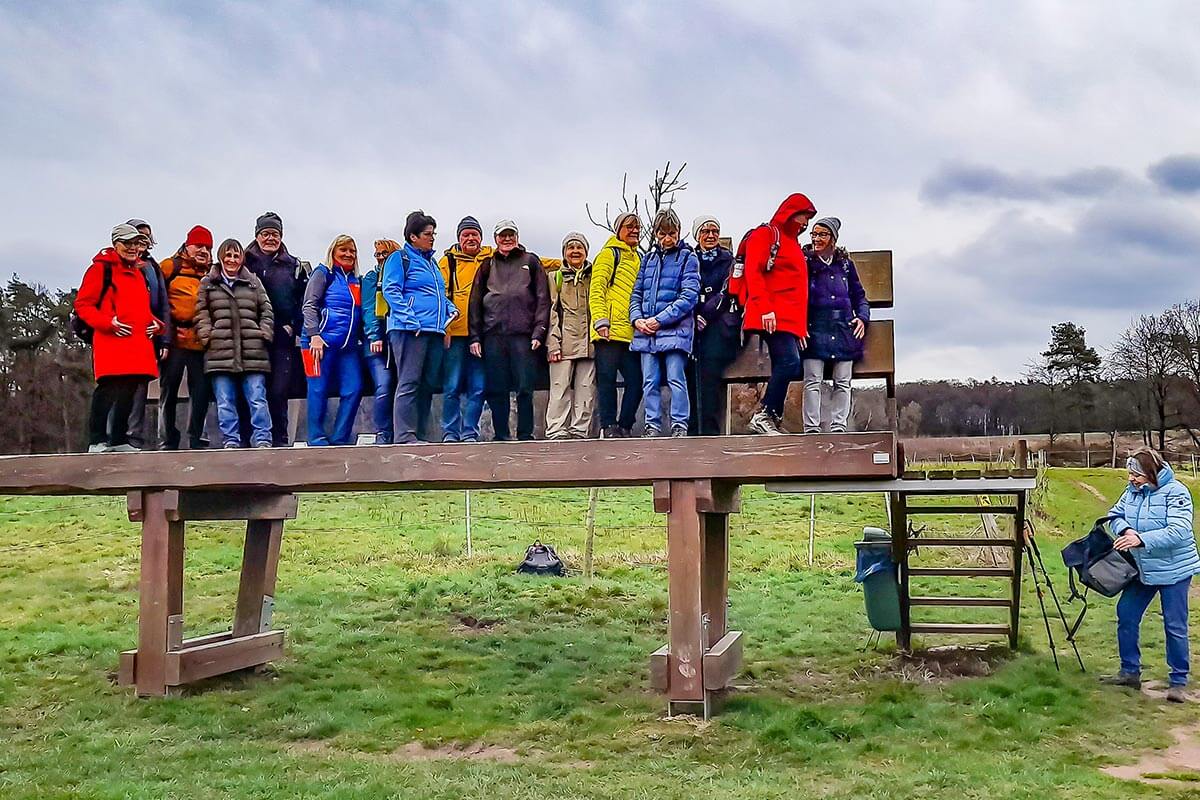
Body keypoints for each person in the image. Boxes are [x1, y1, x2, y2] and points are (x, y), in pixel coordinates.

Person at [1099, 449, 1200, 703]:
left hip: (1173, 569)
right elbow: (1115, 515)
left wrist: (1141, 539)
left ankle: (1178, 681)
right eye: (1131, 474)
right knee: (1127, 614)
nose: (1132, 479)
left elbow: (1179, 531)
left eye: (1137, 474)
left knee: (1174, 624)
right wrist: (1126, 529)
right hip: (1142, 569)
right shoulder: (1131, 493)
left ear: (1152, 473)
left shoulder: (1176, 492)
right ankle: (1129, 671)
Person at [75, 224, 163, 453]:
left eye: (137, 243)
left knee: (130, 389)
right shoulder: (100, 270)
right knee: (108, 388)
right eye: (128, 243)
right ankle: (96, 440)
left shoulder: (138, 271)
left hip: (137, 342)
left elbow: (141, 309)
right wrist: (108, 323)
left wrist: (156, 324)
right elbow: (83, 305)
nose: (133, 248)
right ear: (116, 244)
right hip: (112, 340)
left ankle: (119, 439)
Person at [742, 193, 817, 435]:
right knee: (789, 362)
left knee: (789, 364)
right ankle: (765, 415)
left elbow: (796, 288)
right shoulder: (766, 234)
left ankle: (771, 418)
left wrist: (800, 327)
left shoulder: (792, 242)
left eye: (807, 220)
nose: (804, 224)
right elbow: (754, 272)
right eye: (802, 217)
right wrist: (765, 308)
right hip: (771, 315)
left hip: (787, 319)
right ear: (789, 213)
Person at [468, 219, 550, 441]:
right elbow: (474, 303)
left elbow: (543, 299)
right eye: (502, 235)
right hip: (493, 335)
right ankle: (501, 435)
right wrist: (474, 337)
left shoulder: (531, 261)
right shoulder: (486, 265)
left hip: (523, 335)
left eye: (510, 234)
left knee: (525, 388)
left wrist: (539, 332)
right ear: (495, 239)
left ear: (517, 236)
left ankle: (525, 434)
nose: (507, 239)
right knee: (497, 389)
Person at [384, 211, 457, 444]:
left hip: (434, 331)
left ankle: (420, 434)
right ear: (413, 236)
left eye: (433, 233)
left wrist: (449, 307)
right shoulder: (399, 259)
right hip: (409, 331)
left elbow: (435, 294)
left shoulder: (432, 263)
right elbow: (391, 290)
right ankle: (404, 436)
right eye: (427, 234)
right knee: (409, 382)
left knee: (427, 385)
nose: (432, 237)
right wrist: (410, 319)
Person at [194, 239, 275, 448]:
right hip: (219, 351)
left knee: (257, 397)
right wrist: (207, 335)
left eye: (236, 256)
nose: (232, 260)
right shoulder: (208, 283)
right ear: (221, 258)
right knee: (225, 400)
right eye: (228, 255)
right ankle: (231, 440)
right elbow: (201, 312)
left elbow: (266, 310)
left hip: (253, 350)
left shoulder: (253, 282)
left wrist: (264, 332)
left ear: (241, 259)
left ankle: (263, 438)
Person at [630, 210, 700, 437]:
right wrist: (637, 319)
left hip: (675, 331)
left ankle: (679, 424)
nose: (667, 239)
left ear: (678, 233)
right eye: (662, 234)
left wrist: (659, 320)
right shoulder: (648, 259)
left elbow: (689, 296)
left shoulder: (688, 258)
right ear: (656, 234)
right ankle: (652, 425)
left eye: (671, 233)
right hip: (646, 332)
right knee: (649, 381)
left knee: (675, 378)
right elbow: (636, 294)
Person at [799, 217, 869, 434]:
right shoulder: (806, 263)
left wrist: (862, 318)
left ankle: (839, 426)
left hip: (843, 329)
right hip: (815, 327)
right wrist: (799, 326)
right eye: (814, 234)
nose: (817, 239)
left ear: (833, 238)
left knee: (843, 381)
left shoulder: (846, 266)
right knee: (812, 380)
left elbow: (860, 297)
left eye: (822, 235)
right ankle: (811, 428)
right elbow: (796, 297)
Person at [244, 212, 307, 446]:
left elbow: (303, 300)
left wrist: (294, 326)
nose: (270, 238)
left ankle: (280, 440)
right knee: (253, 390)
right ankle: (249, 439)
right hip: (252, 336)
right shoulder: (244, 262)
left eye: (275, 234)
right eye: (266, 233)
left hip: (282, 336)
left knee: (279, 390)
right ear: (257, 235)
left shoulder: (293, 265)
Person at [301, 235, 365, 446]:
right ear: (333, 252)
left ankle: (340, 439)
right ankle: (316, 438)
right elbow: (309, 305)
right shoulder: (323, 274)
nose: (348, 254)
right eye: (343, 250)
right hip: (317, 343)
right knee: (317, 389)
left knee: (354, 388)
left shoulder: (357, 280)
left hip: (347, 347)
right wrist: (314, 336)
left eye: (352, 251)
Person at [158, 225, 216, 449]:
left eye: (208, 247)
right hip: (174, 339)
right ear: (187, 245)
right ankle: (167, 439)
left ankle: (197, 438)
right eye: (198, 245)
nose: (203, 251)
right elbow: (155, 298)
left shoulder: (212, 272)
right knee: (169, 390)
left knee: (201, 392)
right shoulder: (170, 267)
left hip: (201, 341)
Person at [589, 212, 643, 438]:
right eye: (629, 227)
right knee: (607, 380)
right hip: (608, 331)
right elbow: (597, 287)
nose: (634, 231)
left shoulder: (639, 258)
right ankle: (608, 426)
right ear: (618, 229)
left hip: (631, 332)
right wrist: (601, 320)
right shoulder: (609, 254)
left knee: (636, 381)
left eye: (637, 227)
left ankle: (625, 425)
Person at [687, 214, 741, 436]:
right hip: (691, 327)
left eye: (714, 232)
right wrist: (693, 315)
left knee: (710, 378)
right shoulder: (689, 259)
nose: (710, 236)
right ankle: (692, 428)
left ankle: (709, 430)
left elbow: (727, 291)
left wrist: (706, 314)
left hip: (718, 328)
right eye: (705, 231)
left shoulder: (728, 260)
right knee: (690, 377)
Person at [438, 216, 491, 442]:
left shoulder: (491, 256)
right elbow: (439, 296)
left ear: (481, 237)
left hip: (482, 333)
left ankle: (470, 432)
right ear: (459, 238)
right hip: (455, 333)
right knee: (452, 386)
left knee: (478, 387)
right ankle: (451, 432)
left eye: (474, 234)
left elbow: (535, 261)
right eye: (466, 235)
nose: (471, 238)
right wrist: (444, 329)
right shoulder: (447, 262)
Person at [122, 218, 170, 449]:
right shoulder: (117, 265)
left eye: (147, 237)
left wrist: (164, 336)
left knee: (141, 387)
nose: (143, 241)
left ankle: (135, 438)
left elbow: (162, 304)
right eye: (139, 235)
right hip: (122, 336)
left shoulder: (153, 267)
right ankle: (117, 438)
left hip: (148, 338)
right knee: (120, 387)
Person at [546, 232, 595, 439]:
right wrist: (553, 343)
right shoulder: (554, 277)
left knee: (586, 389)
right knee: (559, 388)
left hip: (589, 343)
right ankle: (556, 430)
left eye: (579, 248)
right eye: (570, 248)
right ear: (564, 253)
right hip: (563, 343)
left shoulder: (594, 276)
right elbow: (551, 312)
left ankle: (579, 431)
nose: (575, 252)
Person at [362, 238, 402, 443]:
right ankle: (383, 432)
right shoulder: (372, 278)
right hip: (378, 344)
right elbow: (369, 308)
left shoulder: (403, 276)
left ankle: (403, 432)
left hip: (400, 341)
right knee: (384, 386)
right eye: (377, 254)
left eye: (384, 254)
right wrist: (374, 335)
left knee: (404, 388)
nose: (380, 258)